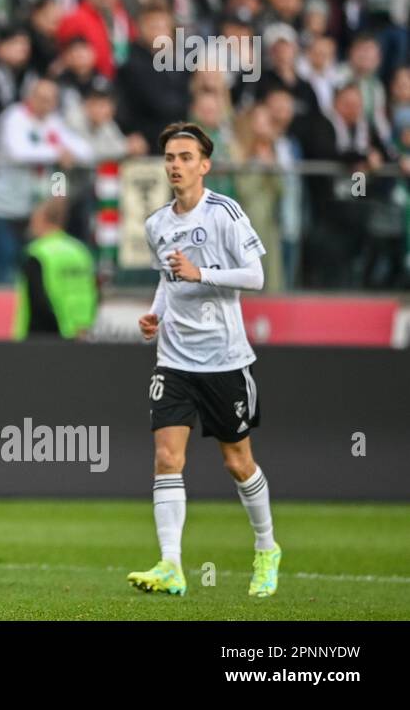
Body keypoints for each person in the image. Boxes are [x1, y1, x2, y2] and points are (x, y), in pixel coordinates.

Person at [128, 122, 281, 599]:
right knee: (166, 457)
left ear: (205, 165)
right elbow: (167, 279)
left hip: (224, 359)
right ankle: (171, 564)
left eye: (185, 157)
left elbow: (257, 275)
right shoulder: (157, 223)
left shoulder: (224, 213)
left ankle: (266, 547)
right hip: (173, 358)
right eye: (170, 157)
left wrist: (203, 273)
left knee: (238, 463)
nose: (176, 165)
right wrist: (155, 313)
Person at [12, 196, 97, 339]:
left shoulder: (38, 253)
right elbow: (94, 292)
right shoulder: (80, 252)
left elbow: (38, 301)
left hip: (42, 336)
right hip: (78, 334)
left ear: (42, 219)